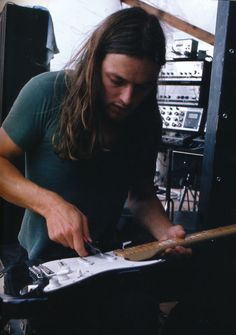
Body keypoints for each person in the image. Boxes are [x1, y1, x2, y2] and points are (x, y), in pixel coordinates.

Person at [0, 6, 191, 335]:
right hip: (40, 263)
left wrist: (164, 232)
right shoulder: (46, 92)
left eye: (143, 86)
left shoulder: (146, 118)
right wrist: (51, 205)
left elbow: (141, 194)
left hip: (105, 260)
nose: (128, 98)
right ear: (95, 61)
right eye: (116, 81)